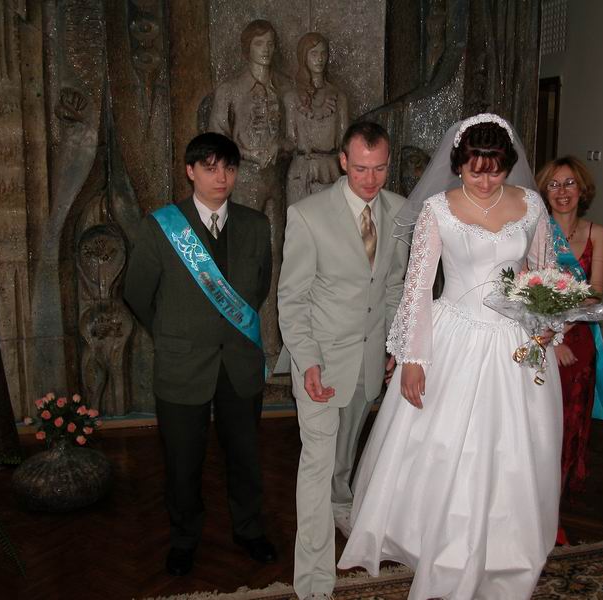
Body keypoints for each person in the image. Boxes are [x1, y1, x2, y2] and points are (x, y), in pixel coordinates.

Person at [338, 114, 562, 599]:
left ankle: (504, 545)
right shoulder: (438, 209)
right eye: (475, 171)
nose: (485, 181)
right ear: (458, 164)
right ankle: (433, 538)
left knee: (509, 449)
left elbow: (542, 273)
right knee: (444, 446)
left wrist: (547, 323)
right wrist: (413, 358)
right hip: (453, 336)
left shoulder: (531, 205)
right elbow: (418, 287)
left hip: (515, 344)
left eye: (495, 171)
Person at [124, 133, 276, 577]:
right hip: (182, 362)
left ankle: (249, 529)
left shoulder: (255, 225)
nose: (221, 178)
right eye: (210, 168)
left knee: (245, 456)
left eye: (228, 168)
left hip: (239, 362)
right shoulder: (162, 227)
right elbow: (137, 293)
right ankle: (184, 538)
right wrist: (173, 332)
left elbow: (260, 286)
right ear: (190, 171)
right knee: (182, 461)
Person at [277, 121, 408, 600]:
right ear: (343, 162)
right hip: (321, 361)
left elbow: (393, 285)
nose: (370, 180)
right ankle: (314, 579)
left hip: (369, 361)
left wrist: (393, 344)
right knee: (316, 462)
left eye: (380, 169)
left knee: (344, 453)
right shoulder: (307, 215)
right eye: (361, 169)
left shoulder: (401, 212)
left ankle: (341, 503)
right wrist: (307, 361)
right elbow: (292, 298)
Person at [536, 156, 603, 520]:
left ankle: (554, 503)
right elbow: (525, 291)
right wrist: (552, 341)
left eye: (569, 183)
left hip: (579, 338)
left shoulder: (597, 233)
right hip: (540, 339)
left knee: (571, 420)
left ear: (582, 189)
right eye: (553, 184)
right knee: (540, 420)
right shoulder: (535, 232)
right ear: (544, 191)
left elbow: (594, 294)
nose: (562, 191)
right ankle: (532, 494)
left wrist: (561, 333)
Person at [209, 19, 291, 364]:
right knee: (245, 259)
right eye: (259, 43)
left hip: (275, 182)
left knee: (276, 257)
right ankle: (242, 337)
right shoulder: (230, 90)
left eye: (270, 43)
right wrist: (244, 152)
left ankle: (271, 341)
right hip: (243, 182)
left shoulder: (285, 89)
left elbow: (296, 135)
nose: (266, 49)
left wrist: (280, 146)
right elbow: (216, 136)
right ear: (247, 48)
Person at [284, 32, 349, 207]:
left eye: (323, 53)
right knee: (298, 220)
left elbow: (344, 141)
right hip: (301, 170)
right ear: (303, 57)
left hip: (329, 169)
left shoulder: (339, 97)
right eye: (313, 53)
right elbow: (291, 139)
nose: (319, 59)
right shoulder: (292, 97)